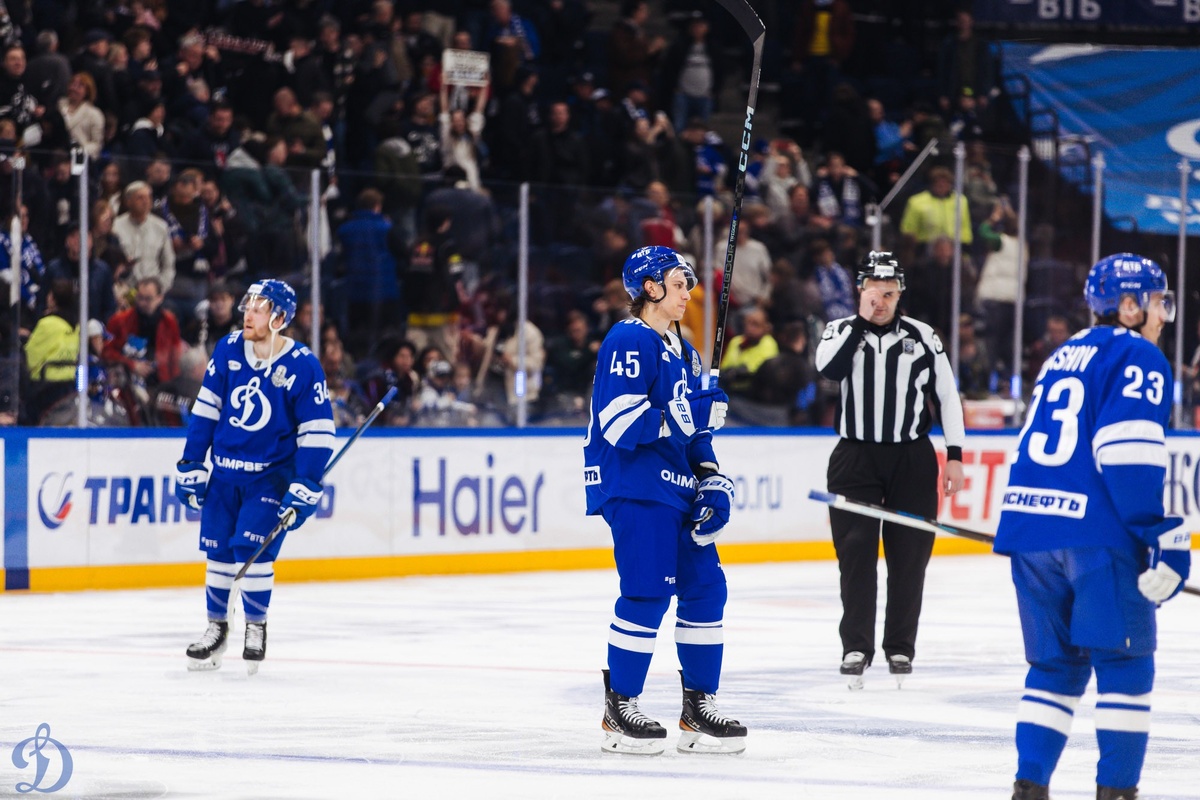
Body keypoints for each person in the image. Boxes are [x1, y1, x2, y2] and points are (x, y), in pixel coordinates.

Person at [994, 254, 1189, 800]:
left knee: (1054, 669)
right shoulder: (1138, 354)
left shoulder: (1062, 355)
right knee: (1125, 665)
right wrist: (1161, 533)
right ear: (1128, 305)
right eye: (1157, 302)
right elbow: (1125, 450)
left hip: (1031, 532)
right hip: (1096, 537)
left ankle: (1029, 788)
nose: (1163, 315)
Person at [583, 245, 746, 756]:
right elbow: (621, 424)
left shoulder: (688, 352)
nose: (687, 293)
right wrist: (687, 413)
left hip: (678, 486)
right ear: (650, 287)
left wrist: (714, 478)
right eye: (678, 283)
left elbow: (695, 437)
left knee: (706, 591)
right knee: (647, 592)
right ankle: (620, 706)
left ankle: (698, 708)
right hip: (635, 485)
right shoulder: (628, 339)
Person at [814, 251, 966, 689]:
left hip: (912, 459)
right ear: (860, 291)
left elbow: (948, 396)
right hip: (854, 458)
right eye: (873, 291)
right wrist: (861, 323)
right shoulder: (839, 331)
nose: (880, 300)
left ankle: (900, 646)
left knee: (910, 557)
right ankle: (855, 646)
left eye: (889, 292)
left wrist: (954, 454)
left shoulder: (922, 337)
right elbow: (829, 369)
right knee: (856, 554)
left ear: (900, 294)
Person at [174, 279, 335, 674]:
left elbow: (318, 432)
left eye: (259, 308)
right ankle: (216, 629)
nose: (248, 313)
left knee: (251, 550)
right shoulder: (228, 349)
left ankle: (256, 627)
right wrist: (193, 462)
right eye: (248, 305)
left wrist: (307, 482)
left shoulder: (302, 365)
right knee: (218, 553)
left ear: (279, 318)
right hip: (225, 476)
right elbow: (206, 410)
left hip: (269, 477)